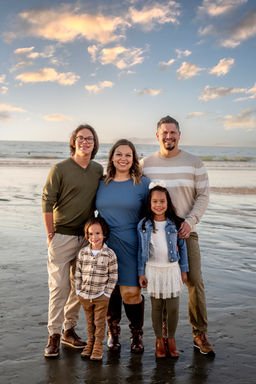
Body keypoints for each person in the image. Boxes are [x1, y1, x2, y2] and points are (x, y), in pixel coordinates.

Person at [140, 115, 215, 356]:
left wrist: (191, 222)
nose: (169, 137)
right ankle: (162, 335)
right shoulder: (145, 164)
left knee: (193, 280)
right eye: (165, 133)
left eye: (173, 133)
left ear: (179, 135)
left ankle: (199, 332)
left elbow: (203, 195)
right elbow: (137, 196)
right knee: (158, 282)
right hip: (154, 232)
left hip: (184, 231)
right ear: (157, 135)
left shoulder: (194, 163)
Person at [42, 124, 103, 358]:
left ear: (94, 144)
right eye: (81, 138)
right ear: (74, 142)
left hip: (86, 239)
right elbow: (47, 202)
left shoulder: (98, 170)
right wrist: (50, 234)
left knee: (79, 288)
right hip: (61, 236)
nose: (85, 142)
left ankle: (69, 330)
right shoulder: (60, 168)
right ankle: (54, 335)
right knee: (59, 287)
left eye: (89, 139)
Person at [96, 139, 150, 353]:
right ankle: (113, 332)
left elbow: (155, 211)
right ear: (112, 157)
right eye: (119, 154)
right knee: (109, 291)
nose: (123, 158)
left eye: (128, 155)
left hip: (132, 244)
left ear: (134, 159)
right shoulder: (101, 183)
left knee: (130, 293)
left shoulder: (143, 184)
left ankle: (137, 334)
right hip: (105, 245)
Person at [138, 183, 189, 358]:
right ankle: (159, 339)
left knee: (173, 307)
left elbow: (183, 248)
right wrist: (141, 273)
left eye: (162, 201)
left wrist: (184, 270)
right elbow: (140, 251)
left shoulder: (175, 223)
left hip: (172, 269)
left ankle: (171, 339)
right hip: (153, 270)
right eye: (155, 201)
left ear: (168, 202)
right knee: (157, 307)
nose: (159, 205)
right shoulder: (144, 225)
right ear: (149, 203)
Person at [75, 217, 118, 361]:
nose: (94, 237)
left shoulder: (109, 254)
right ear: (87, 235)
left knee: (99, 322)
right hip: (85, 295)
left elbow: (113, 275)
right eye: (91, 234)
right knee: (89, 321)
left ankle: (98, 345)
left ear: (104, 234)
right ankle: (90, 343)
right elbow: (78, 273)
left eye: (98, 233)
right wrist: (78, 291)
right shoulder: (83, 253)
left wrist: (107, 293)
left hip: (101, 295)